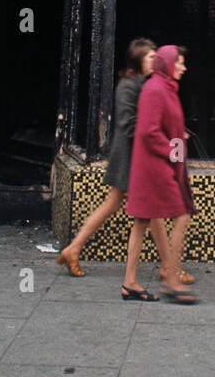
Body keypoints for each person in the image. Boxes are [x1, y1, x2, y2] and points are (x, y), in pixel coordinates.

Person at [57, 38, 189, 285]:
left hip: (136, 156)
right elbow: (130, 125)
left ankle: (73, 249)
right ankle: (168, 267)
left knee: (125, 208)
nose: (155, 61)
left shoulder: (145, 84)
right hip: (129, 158)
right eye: (150, 57)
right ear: (138, 60)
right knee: (147, 212)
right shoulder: (129, 86)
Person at [123, 44, 199, 304]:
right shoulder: (156, 89)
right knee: (182, 213)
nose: (183, 67)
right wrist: (173, 151)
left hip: (156, 165)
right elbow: (148, 132)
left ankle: (130, 283)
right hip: (155, 168)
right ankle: (171, 279)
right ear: (167, 63)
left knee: (142, 221)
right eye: (178, 62)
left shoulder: (165, 88)